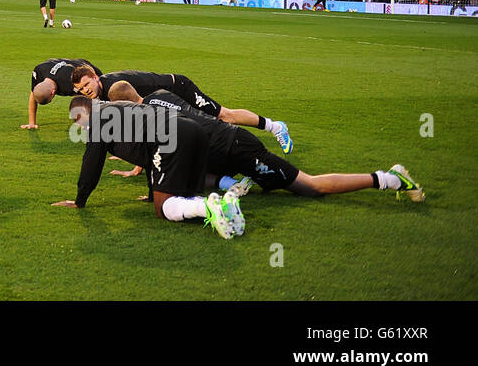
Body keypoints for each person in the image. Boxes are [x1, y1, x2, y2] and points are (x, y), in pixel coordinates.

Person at [115, 89, 423, 204]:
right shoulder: (160, 98)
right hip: (222, 142)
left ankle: (389, 178)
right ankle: (236, 182)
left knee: (311, 187)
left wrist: (159, 193)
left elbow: (161, 151)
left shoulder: (148, 115)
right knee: (199, 176)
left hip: (235, 146)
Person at [53, 96, 245, 239]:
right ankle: (225, 210)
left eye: (76, 119)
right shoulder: (118, 108)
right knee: (183, 196)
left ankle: (211, 206)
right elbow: (150, 156)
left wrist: (80, 200)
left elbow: (92, 162)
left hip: (172, 135)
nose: (78, 125)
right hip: (195, 131)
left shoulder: (98, 120)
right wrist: (152, 193)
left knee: (163, 208)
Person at [70, 66, 294, 153]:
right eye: (81, 89)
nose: (86, 91)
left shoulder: (113, 90)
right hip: (165, 98)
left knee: (224, 117)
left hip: (180, 88)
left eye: (87, 85)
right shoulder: (107, 88)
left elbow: (139, 121)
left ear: (95, 78)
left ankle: (275, 126)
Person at [21, 57, 104, 129]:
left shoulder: (69, 81)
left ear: (53, 93)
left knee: (100, 97)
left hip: (88, 70)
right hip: (71, 64)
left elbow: (88, 98)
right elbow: (34, 94)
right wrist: (32, 123)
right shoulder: (38, 72)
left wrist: (85, 125)